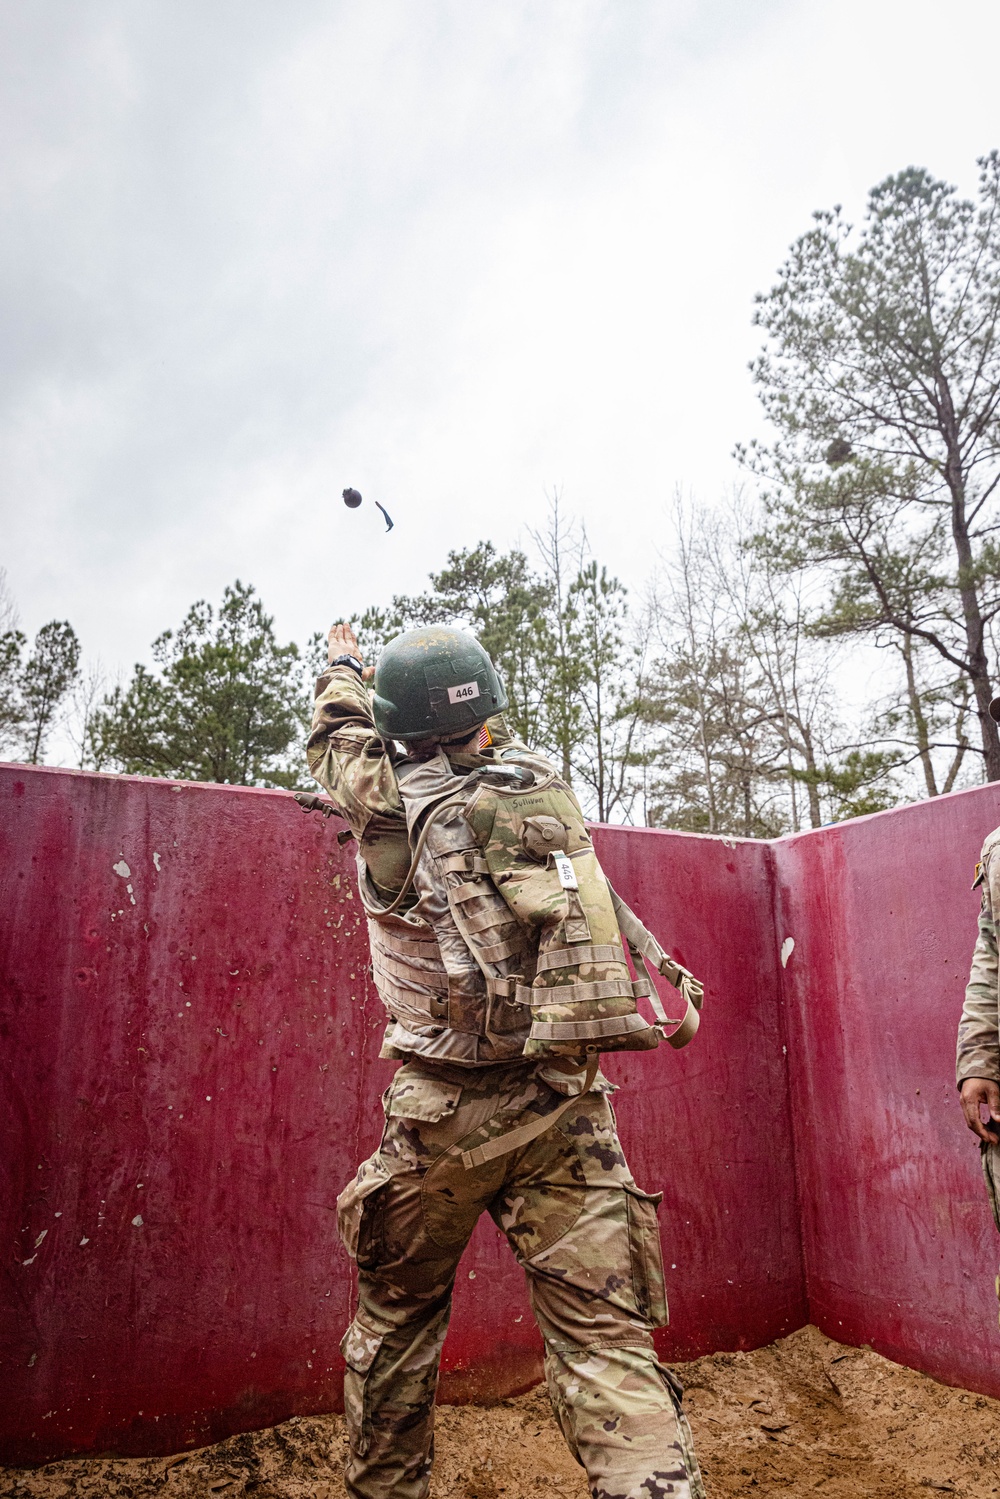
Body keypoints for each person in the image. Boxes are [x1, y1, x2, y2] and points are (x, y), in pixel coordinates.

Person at [306, 620, 706, 1499]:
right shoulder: (537, 782)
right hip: (565, 1102)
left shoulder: (381, 798)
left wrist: (345, 664)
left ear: (395, 727)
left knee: (396, 1326)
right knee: (607, 1345)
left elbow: (334, 737)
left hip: (439, 1115)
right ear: (488, 715)